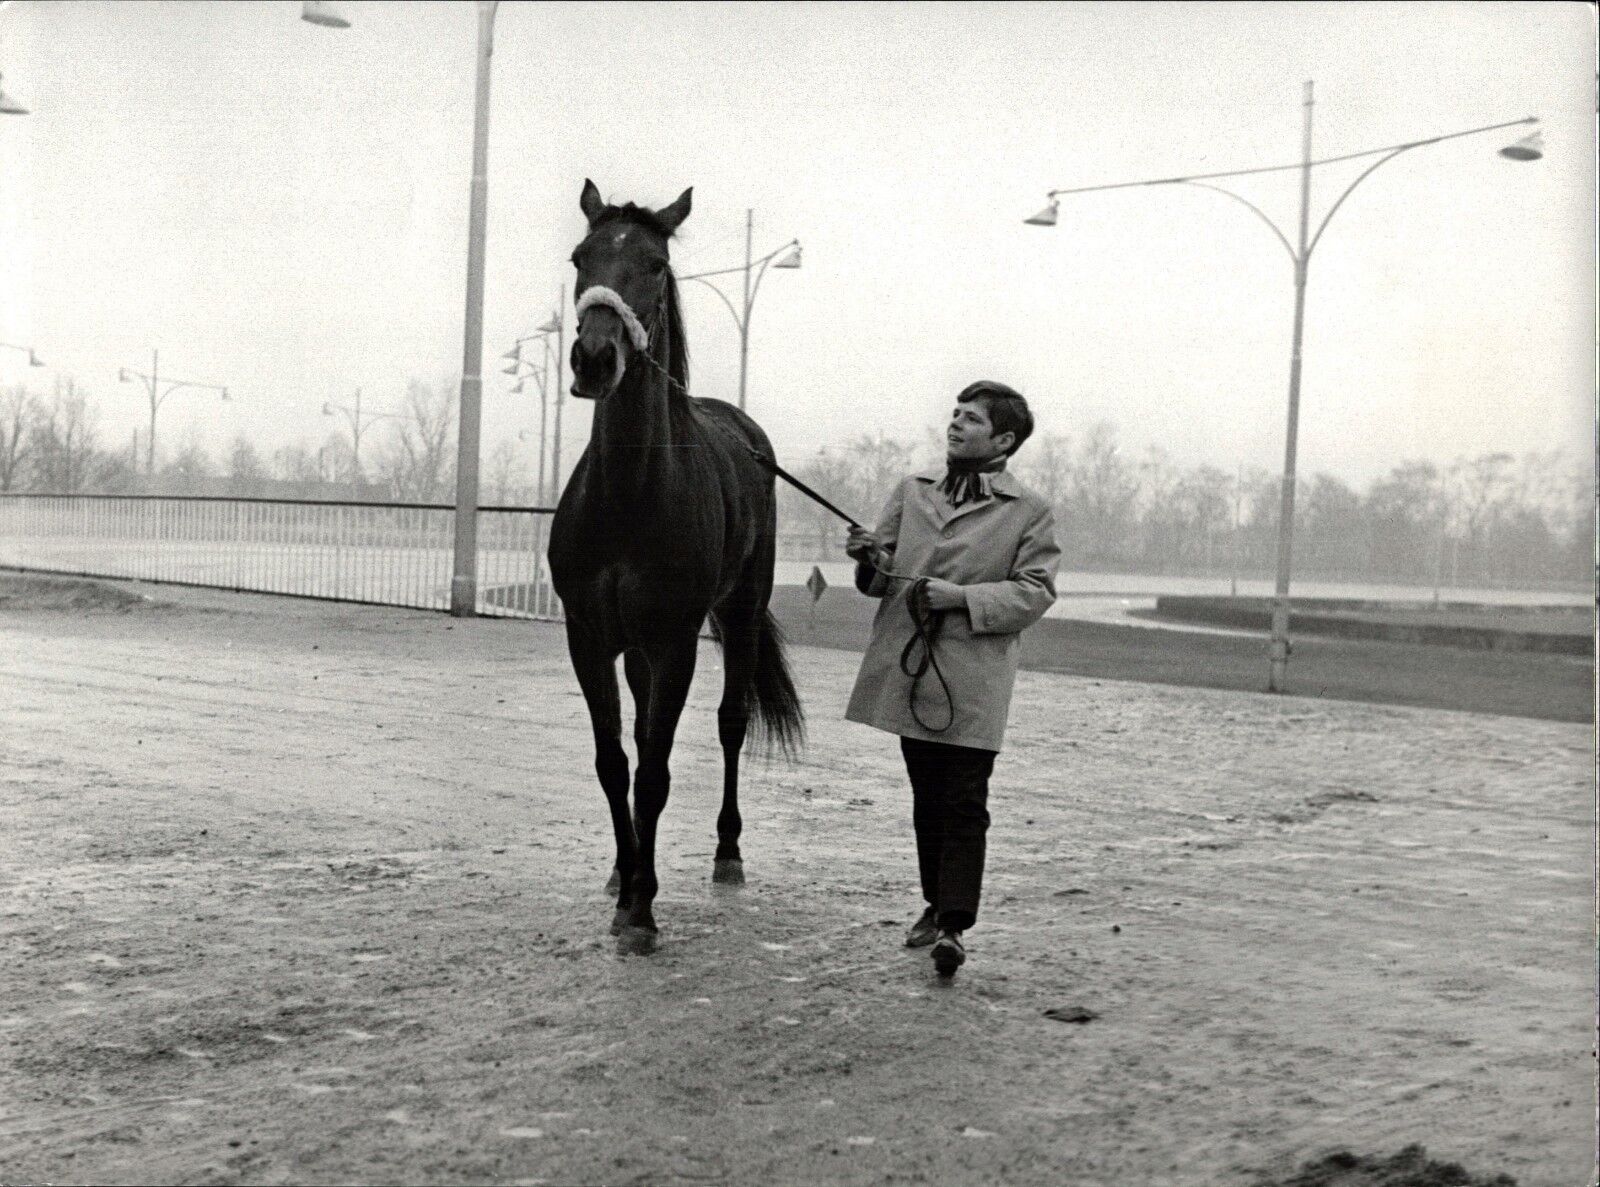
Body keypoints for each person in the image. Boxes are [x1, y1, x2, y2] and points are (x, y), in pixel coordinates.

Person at [843, 381, 1060, 978]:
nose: (956, 425)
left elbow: (1035, 591)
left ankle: (955, 926)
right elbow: (882, 580)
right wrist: (868, 558)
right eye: (955, 414)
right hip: (912, 673)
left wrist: (960, 598)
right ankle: (936, 903)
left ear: (1004, 439)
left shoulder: (1030, 512)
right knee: (927, 799)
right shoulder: (911, 494)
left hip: (974, 680)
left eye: (972, 419)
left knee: (965, 799)